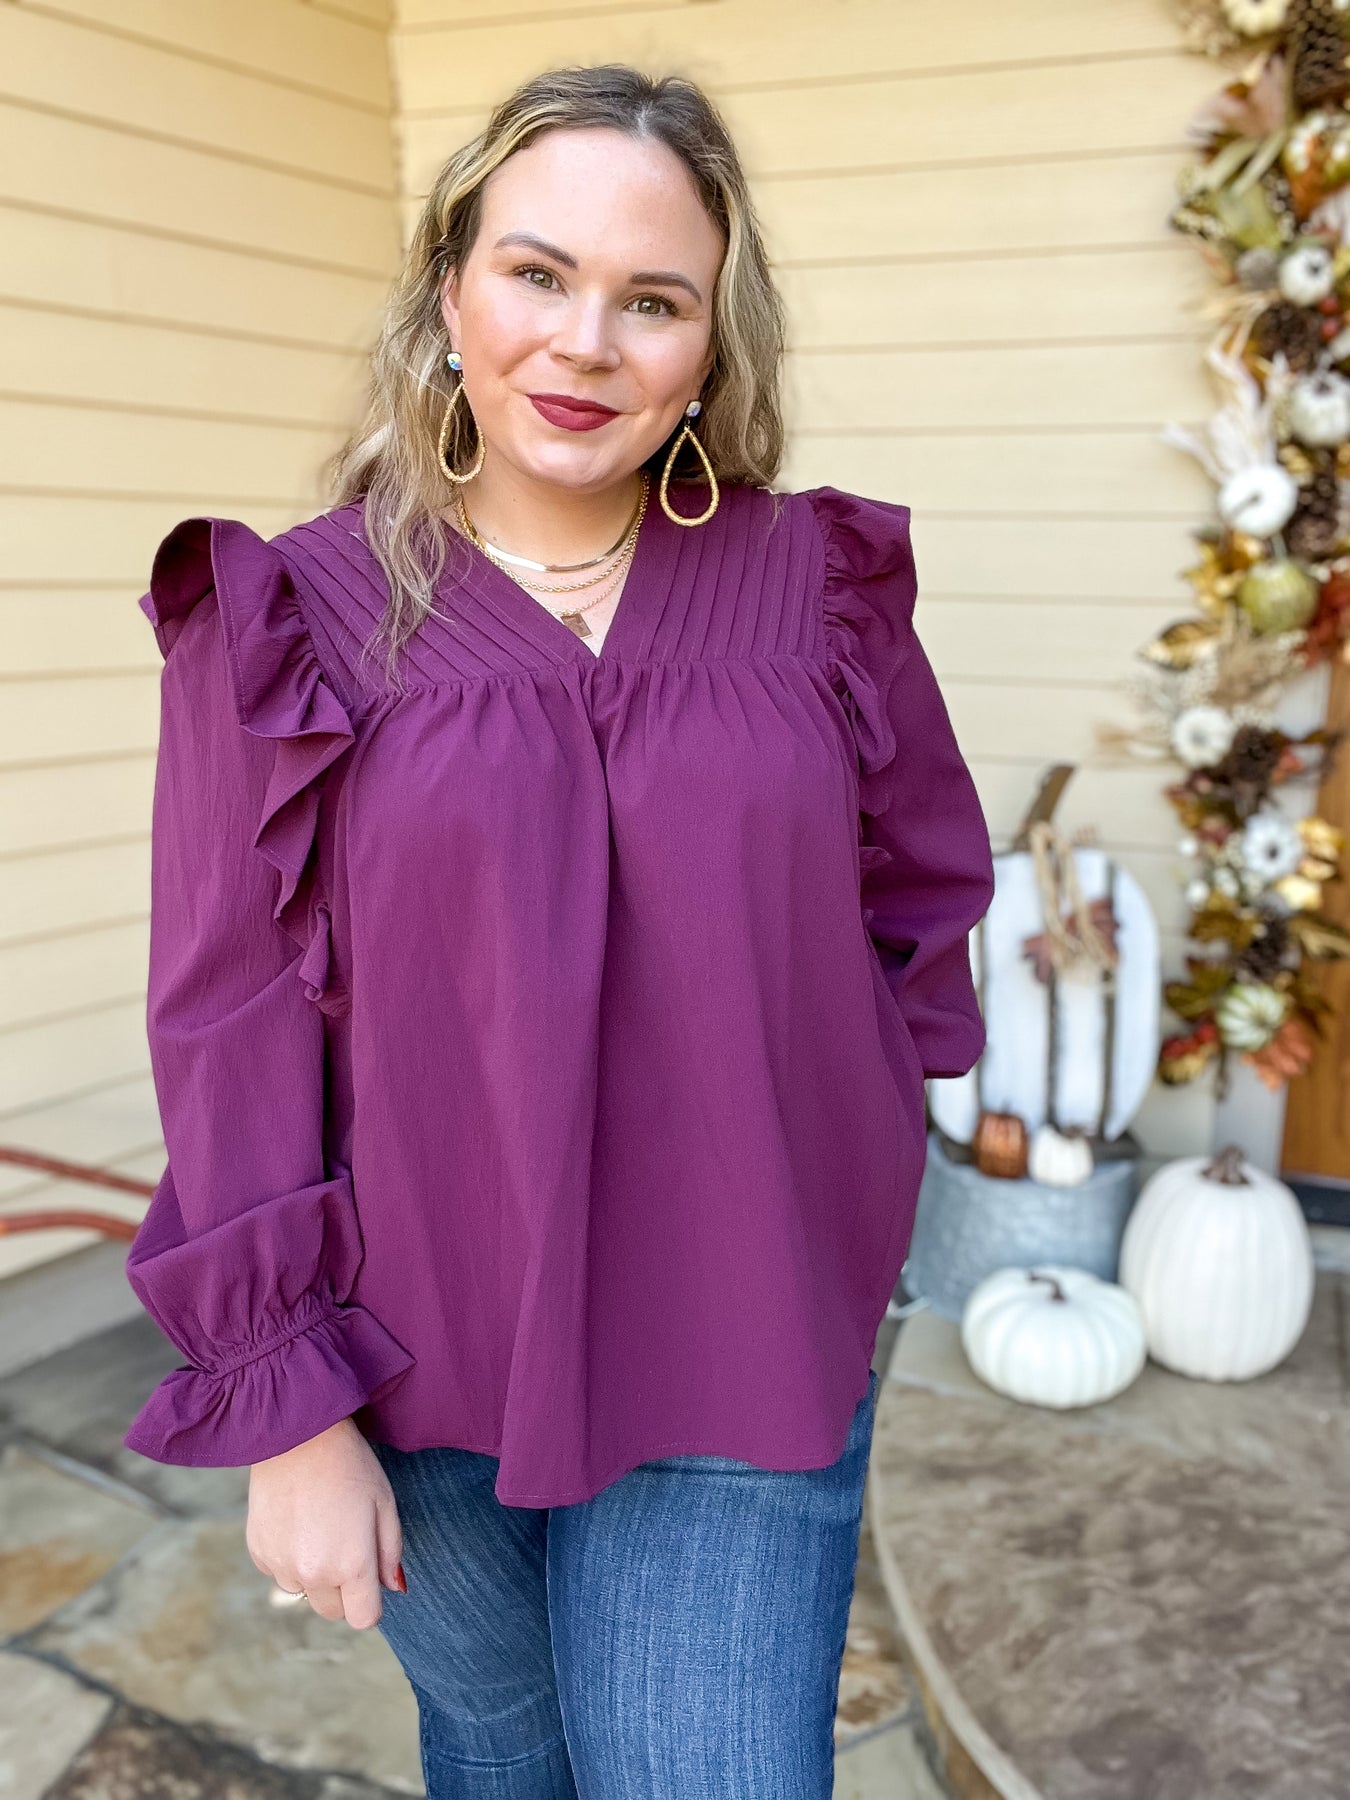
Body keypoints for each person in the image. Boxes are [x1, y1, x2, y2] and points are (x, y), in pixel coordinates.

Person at [122, 62, 995, 1800]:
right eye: (537, 273)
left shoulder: (818, 590)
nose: (584, 343)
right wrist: (290, 1410)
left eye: (652, 299)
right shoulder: (292, 617)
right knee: (503, 1755)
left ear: (709, 349)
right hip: (414, 1358)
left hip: (745, 1332)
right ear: (450, 292)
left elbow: (914, 898)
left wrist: (848, 1159)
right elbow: (229, 1018)